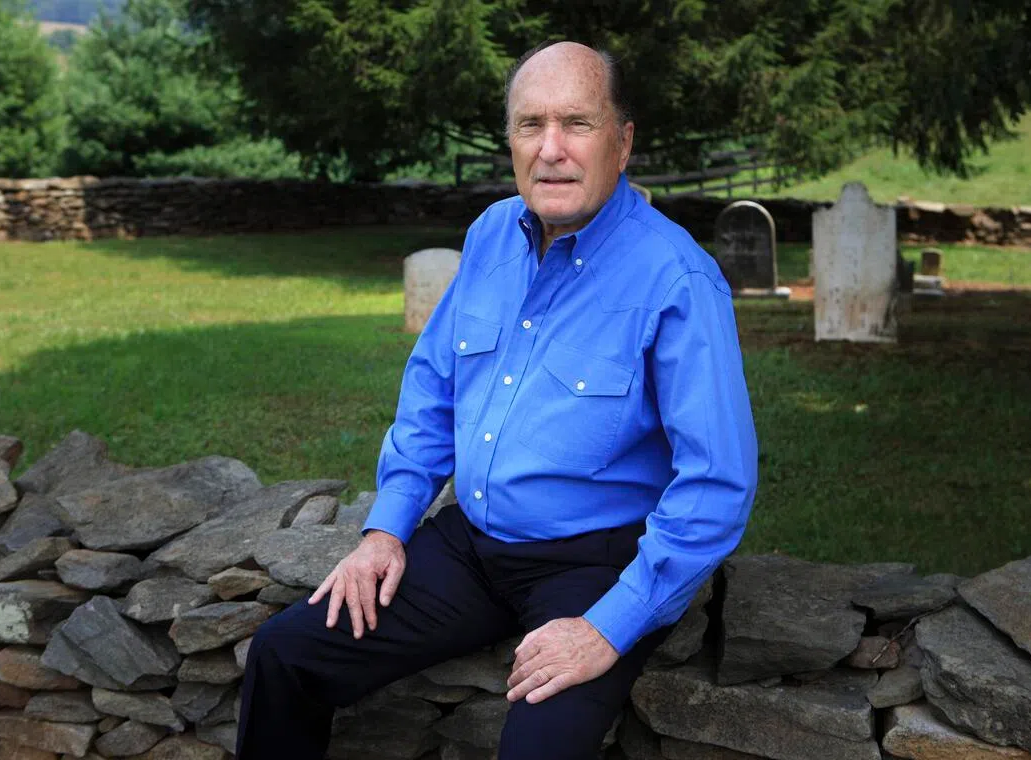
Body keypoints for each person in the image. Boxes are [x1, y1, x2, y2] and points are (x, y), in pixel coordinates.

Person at [236, 40, 758, 760]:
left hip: (595, 565)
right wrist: (386, 529)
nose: (551, 149)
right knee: (284, 653)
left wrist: (607, 627)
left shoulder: (678, 279)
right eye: (529, 125)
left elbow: (718, 482)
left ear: (623, 142)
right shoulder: (491, 235)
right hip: (471, 547)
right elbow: (432, 391)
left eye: (577, 123)